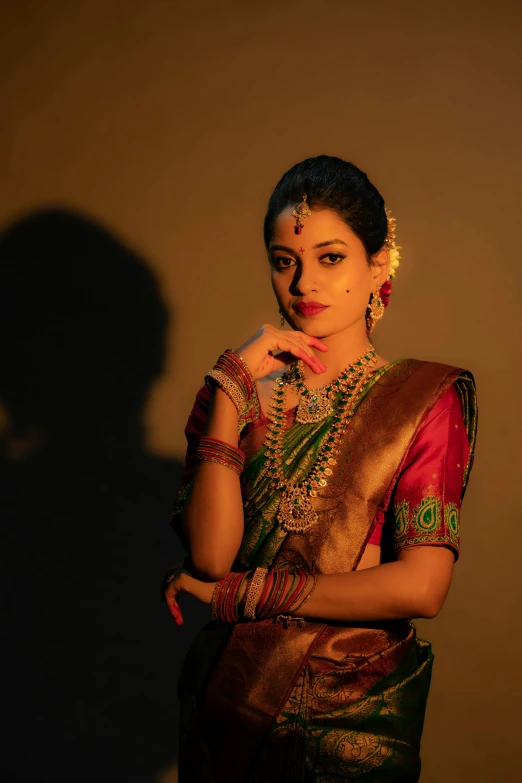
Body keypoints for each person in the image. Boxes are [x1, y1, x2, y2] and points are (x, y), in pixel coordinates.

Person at [161, 155, 478, 782]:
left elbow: (422, 587)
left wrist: (245, 595)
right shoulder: (233, 392)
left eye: (330, 258)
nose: (304, 282)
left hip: (353, 716)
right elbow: (211, 559)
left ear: (377, 265)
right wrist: (230, 393)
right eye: (286, 261)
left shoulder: (422, 401)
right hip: (230, 705)